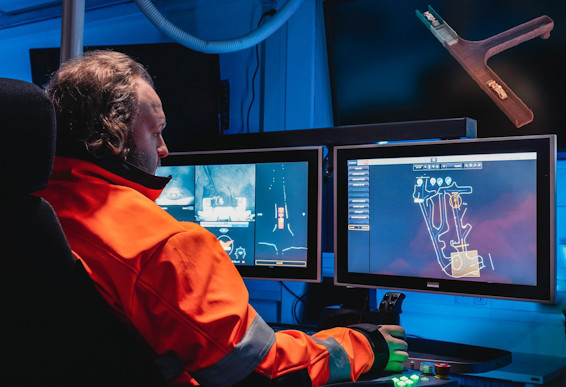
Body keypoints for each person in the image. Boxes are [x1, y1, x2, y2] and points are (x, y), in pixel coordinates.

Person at [37, 50, 408, 386]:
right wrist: (364, 347)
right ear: (115, 137)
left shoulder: (24, 209)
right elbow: (261, 372)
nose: (164, 149)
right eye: (157, 132)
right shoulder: (165, 246)